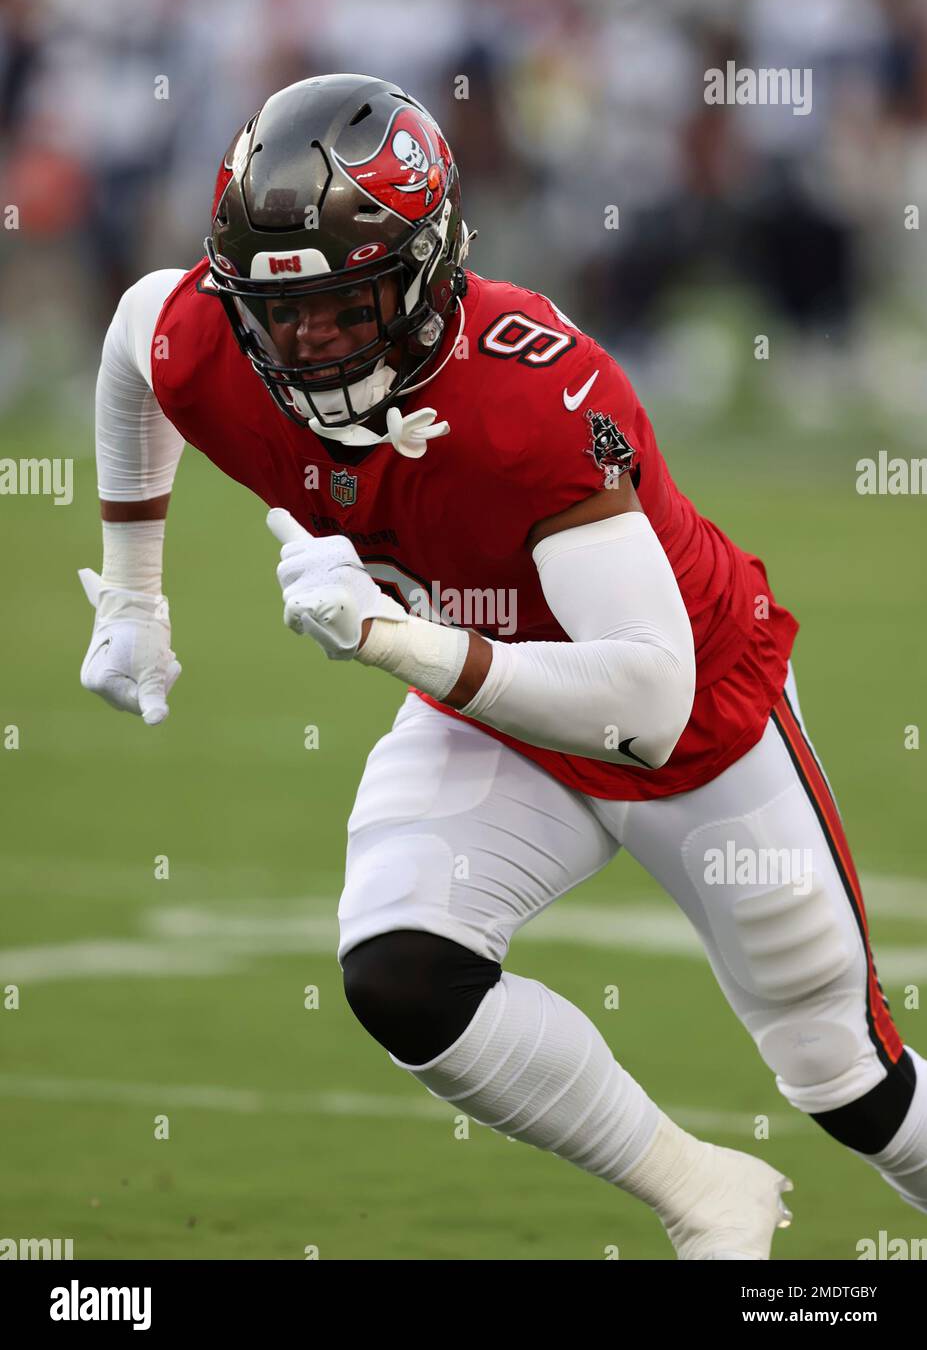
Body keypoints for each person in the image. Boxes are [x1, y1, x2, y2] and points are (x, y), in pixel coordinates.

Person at [78, 73, 926, 1258]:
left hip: (692, 722)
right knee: (401, 974)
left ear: (427, 279)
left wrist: (396, 640)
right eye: (286, 313)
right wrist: (131, 594)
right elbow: (133, 341)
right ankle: (703, 1192)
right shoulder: (212, 336)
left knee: (852, 1086)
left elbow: (644, 695)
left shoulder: (526, 393)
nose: (310, 341)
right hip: (492, 709)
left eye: (346, 304)